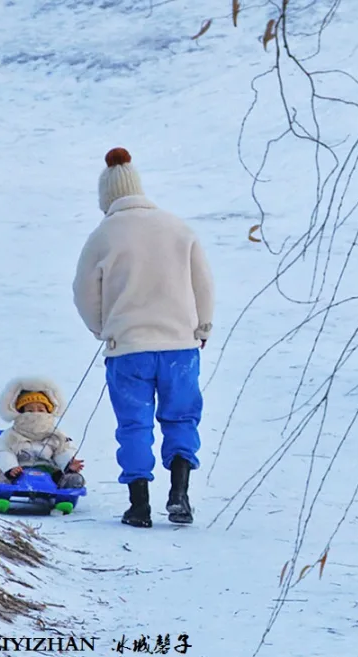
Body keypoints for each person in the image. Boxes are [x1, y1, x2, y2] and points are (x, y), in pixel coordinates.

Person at [72, 147, 215, 528]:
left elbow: (84, 292)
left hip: (129, 351)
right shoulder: (178, 228)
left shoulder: (103, 234)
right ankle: (179, 494)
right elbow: (203, 283)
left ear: (106, 196)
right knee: (181, 416)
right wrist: (202, 327)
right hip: (179, 348)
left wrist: (103, 329)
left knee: (134, 425)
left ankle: (139, 505)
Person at [0, 377, 85, 489]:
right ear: (20, 413)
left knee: (72, 478)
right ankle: (0, 489)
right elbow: (4, 451)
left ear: (49, 412)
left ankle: (65, 492)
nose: (36, 414)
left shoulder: (55, 435)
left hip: (49, 472)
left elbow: (62, 450)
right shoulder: (11, 435)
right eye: (30, 411)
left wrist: (69, 464)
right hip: (19, 472)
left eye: (41, 410)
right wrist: (10, 468)